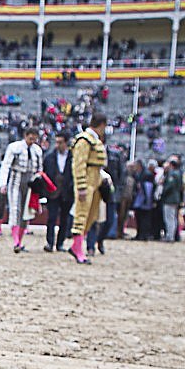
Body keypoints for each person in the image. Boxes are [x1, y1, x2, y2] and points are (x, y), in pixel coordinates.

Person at [68, 112, 107, 264]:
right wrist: (81, 186)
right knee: (81, 215)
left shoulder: (93, 140)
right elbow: (79, 165)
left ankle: (76, 246)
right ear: (101, 125)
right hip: (87, 183)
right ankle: (78, 249)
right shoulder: (84, 140)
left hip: (95, 181)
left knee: (91, 216)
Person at [0, 127, 42, 253]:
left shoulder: (37, 150)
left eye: (34, 139)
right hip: (15, 181)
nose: (32, 141)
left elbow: (40, 170)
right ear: (25, 136)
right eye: (30, 138)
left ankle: (19, 241)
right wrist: (3, 184)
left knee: (25, 213)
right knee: (15, 209)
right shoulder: (14, 147)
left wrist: (38, 186)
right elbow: (6, 166)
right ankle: (16, 241)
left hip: (30, 183)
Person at [42, 132, 72, 253]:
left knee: (64, 219)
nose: (57, 145)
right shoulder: (49, 157)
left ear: (66, 143)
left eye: (60, 142)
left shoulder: (73, 157)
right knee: (52, 218)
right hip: (53, 192)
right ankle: (50, 242)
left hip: (67, 192)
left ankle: (60, 243)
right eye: (57, 142)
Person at [160, 156, 184, 243]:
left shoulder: (173, 174)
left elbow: (169, 186)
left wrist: (163, 192)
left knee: (169, 218)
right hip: (176, 198)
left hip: (170, 199)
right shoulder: (179, 173)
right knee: (173, 218)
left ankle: (170, 236)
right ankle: (171, 235)